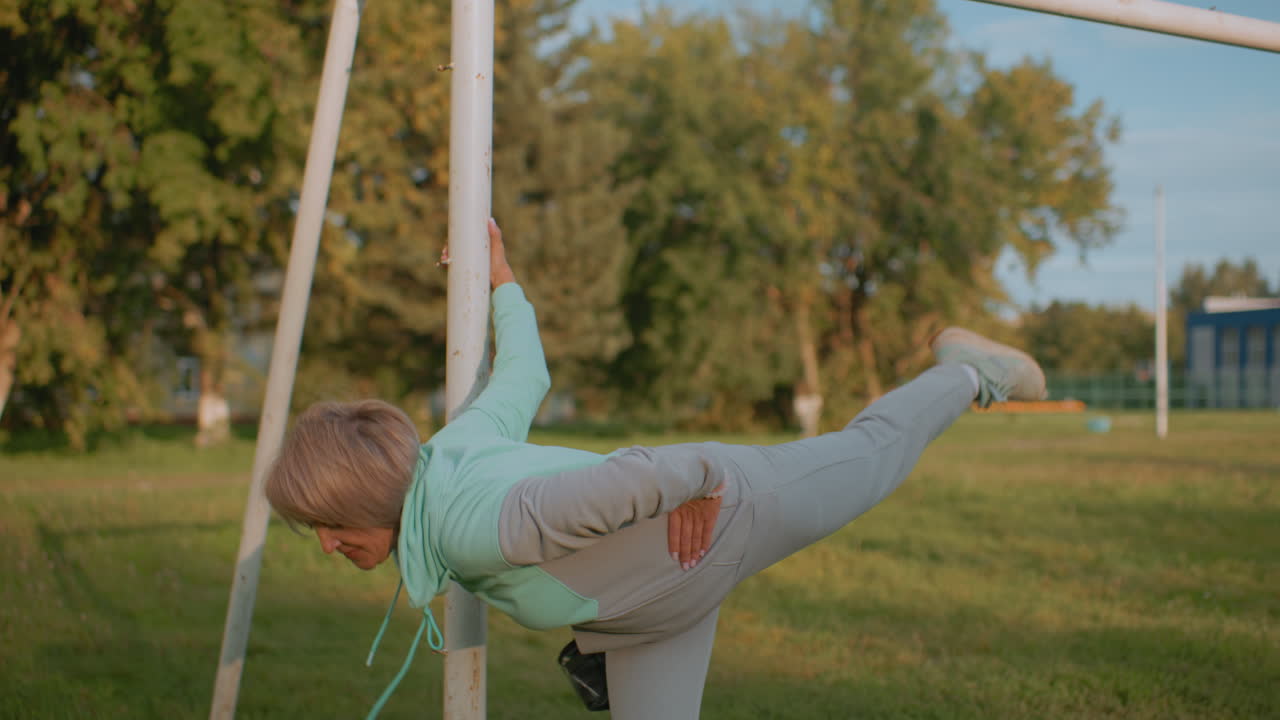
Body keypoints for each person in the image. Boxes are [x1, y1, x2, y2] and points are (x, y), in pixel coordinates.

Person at [264, 219, 1046, 719]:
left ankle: (971, 371)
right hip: (650, 619)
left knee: (870, 455)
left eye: (328, 527)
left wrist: (702, 476)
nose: (327, 546)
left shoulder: (471, 529)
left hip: (728, 517)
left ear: (366, 495)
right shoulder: (454, 452)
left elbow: (622, 483)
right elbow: (525, 376)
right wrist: (500, 276)